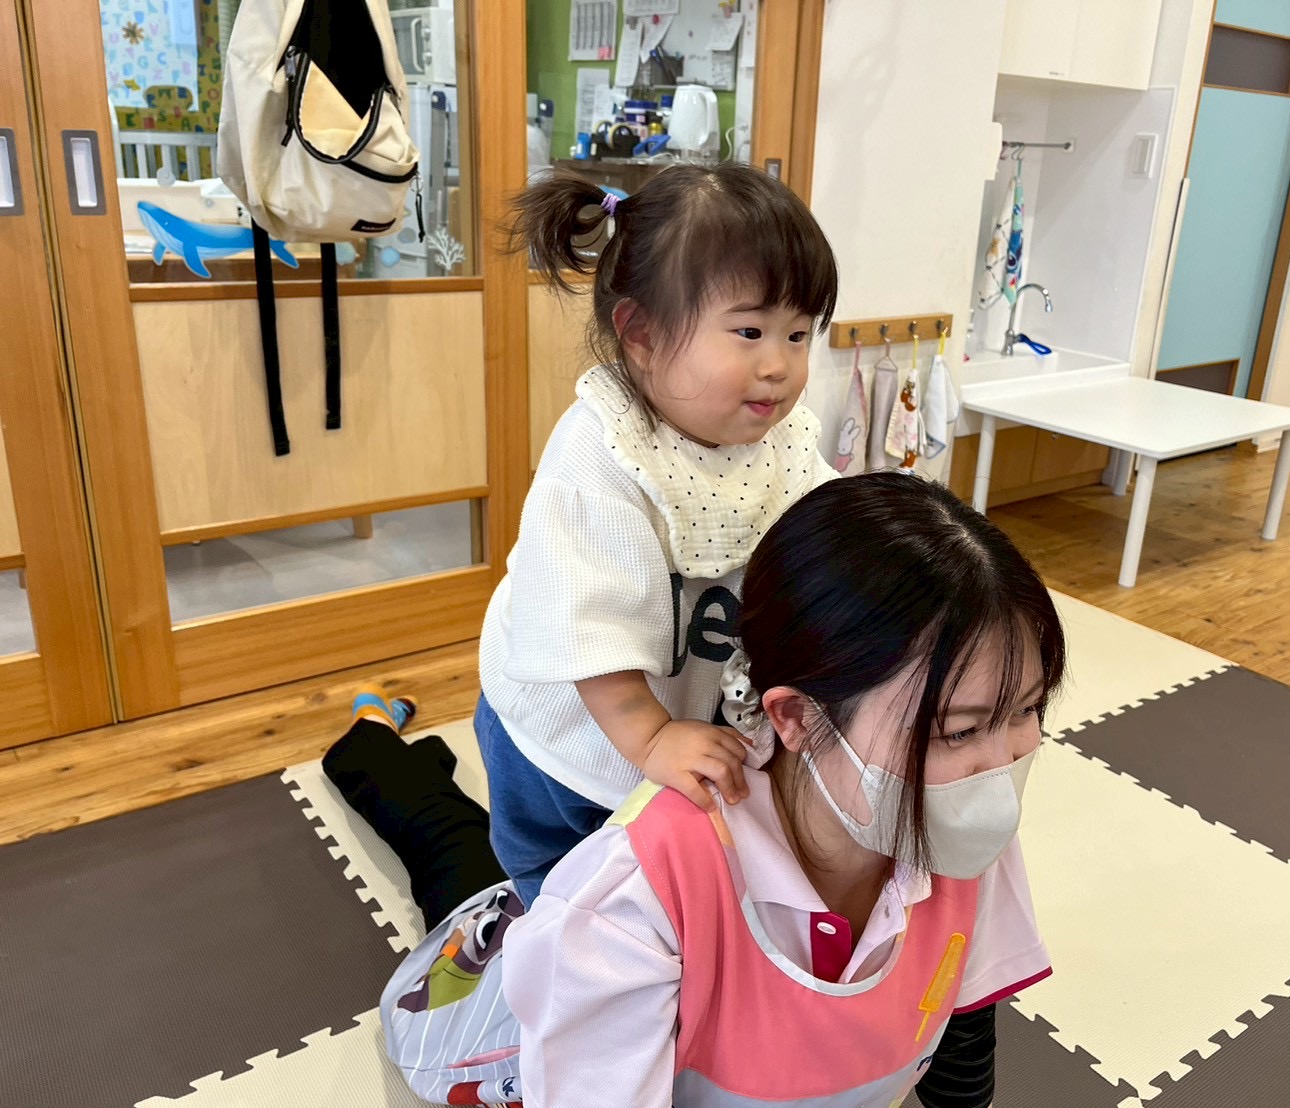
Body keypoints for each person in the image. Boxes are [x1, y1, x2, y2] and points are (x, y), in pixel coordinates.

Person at [325, 472, 1066, 1107]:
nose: (999, 761)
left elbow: (961, 1017)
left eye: (1026, 710)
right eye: (958, 731)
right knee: (453, 857)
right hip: (512, 1042)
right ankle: (370, 742)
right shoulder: (629, 902)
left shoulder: (955, 821)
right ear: (797, 718)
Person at [478, 162, 841, 904]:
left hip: (688, 697)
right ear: (641, 334)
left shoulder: (783, 437)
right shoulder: (600, 455)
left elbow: (827, 527)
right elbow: (586, 629)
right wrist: (648, 737)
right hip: (570, 734)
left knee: (665, 879)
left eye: (799, 334)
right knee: (565, 875)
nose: (779, 365)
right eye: (749, 331)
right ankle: (541, 922)